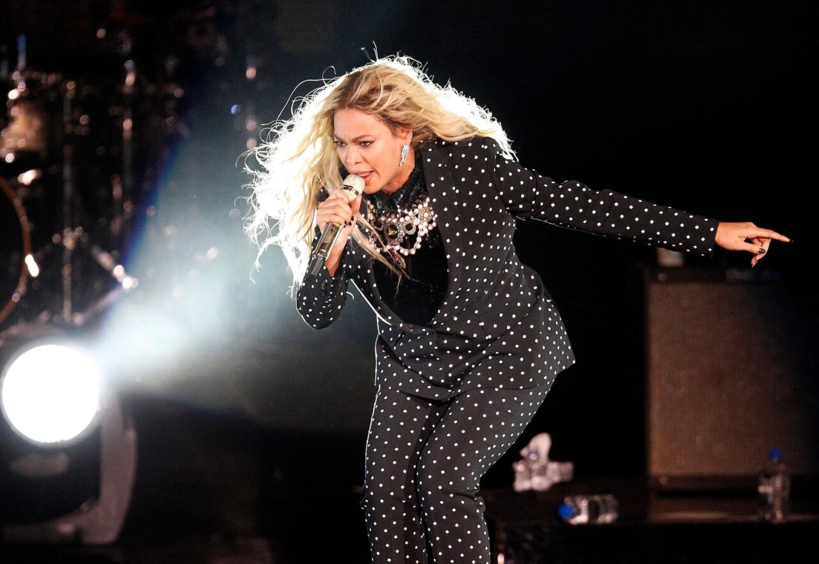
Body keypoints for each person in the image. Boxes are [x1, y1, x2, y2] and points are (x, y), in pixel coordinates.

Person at [243, 53, 790, 563]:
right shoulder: (339, 208)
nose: (352, 160)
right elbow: (317, 311)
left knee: (442, 476)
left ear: (404, 133)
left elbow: (583, 207)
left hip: (506, 351)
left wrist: (710, 233)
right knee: (385, 496)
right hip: (416, 362)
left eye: (365, 143)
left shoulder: (469, 169)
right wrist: (329, 241)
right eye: (342, 145)